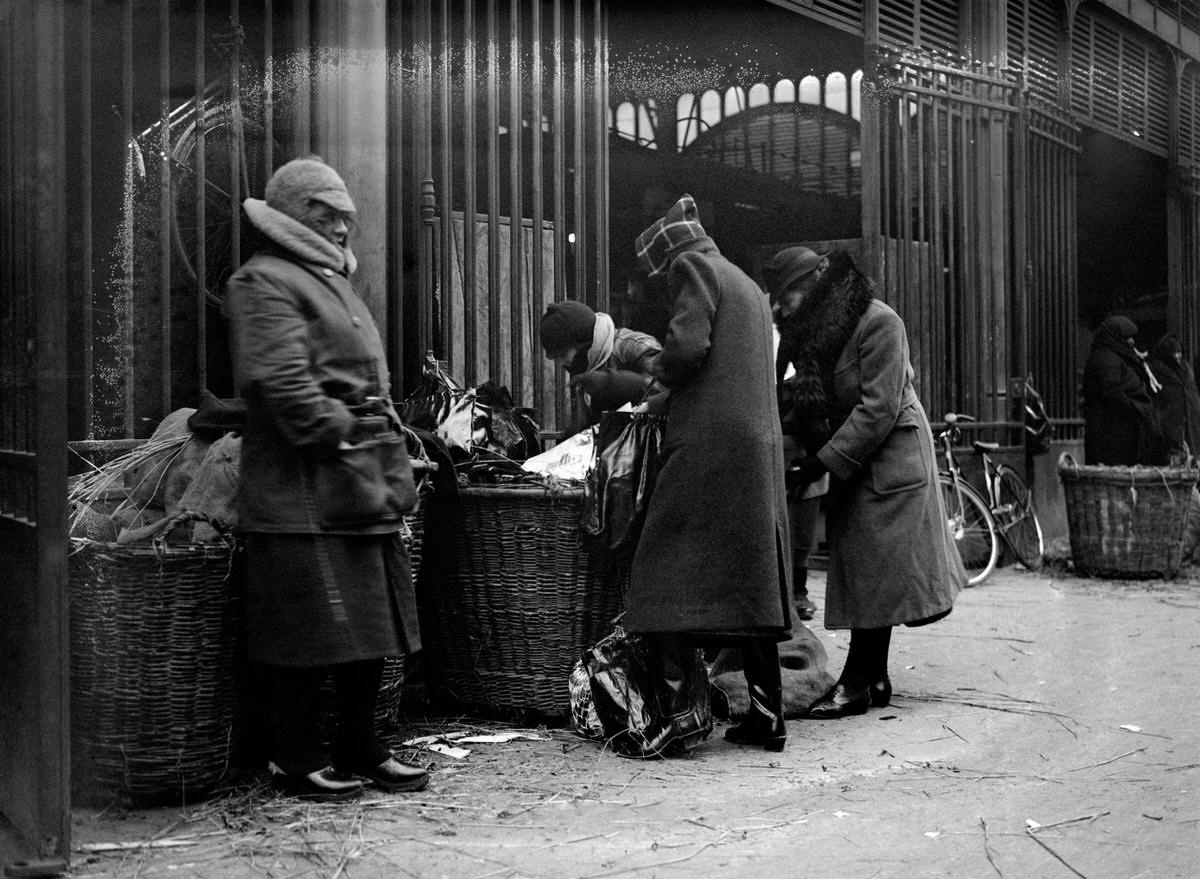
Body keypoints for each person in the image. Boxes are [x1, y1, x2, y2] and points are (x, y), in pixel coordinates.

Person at [224, 157, 429, 800]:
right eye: (325, 213)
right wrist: (342, 432)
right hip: (303, 484)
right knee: (309, 631)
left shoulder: (329, 280)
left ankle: (360, 746)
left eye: (346, 216)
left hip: (355, 477)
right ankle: (296, 755)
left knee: (367, 625)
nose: (342, 227)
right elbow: (279, 381)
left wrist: (384, 442)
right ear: (290, 213)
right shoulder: (262, 281)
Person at [620, 195, 793, 757]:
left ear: (669, 257)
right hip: (755, 446)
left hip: (710, 445)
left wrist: (658, 372)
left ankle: (679, 715)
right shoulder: (744, 281)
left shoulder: (693, 267)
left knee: (661, 571)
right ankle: (769, 717)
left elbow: (690, 347)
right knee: (752, 581)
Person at [776, 249, 964, 719]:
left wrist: (822, 463)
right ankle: (873, 677)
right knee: (866, 569)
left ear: (814, 286)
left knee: (874, 569)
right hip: (858, 458)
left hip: (891, 459)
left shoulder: (880, 323)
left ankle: (858, 681)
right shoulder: (814, 335)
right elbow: (805, 401)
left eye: (787, 296)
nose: (781, 309)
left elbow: (878, 408)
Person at [763, 246, 831, 623]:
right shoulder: (775, 330)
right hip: (785, 431)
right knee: (781, 518)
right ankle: (783, 591)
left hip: (810, 433)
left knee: (805, 517)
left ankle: (800, 588)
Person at [538, 299, 662, 435]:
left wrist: (613, 383)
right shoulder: (588, 364)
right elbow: (586, 428)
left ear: (583, 344)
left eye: (562, 354)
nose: (560, 363)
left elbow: (664, 392)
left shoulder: (638, 347)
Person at [1081, 316, 1167, 466]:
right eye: (1127, 337)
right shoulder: (1106, 358)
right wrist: (1137, 409)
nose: (1132, 342)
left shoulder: (1117, 357)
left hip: (1122, 433)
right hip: (1111, 434)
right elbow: (1111, 393)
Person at [1148, 334, 1200, 465]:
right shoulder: (1156, 370)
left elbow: (1191, 391)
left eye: (1179, 352)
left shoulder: (1186, 368)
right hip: (1170, 420)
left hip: (1191, 419)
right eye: (1173, 353)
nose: (1177, 356)